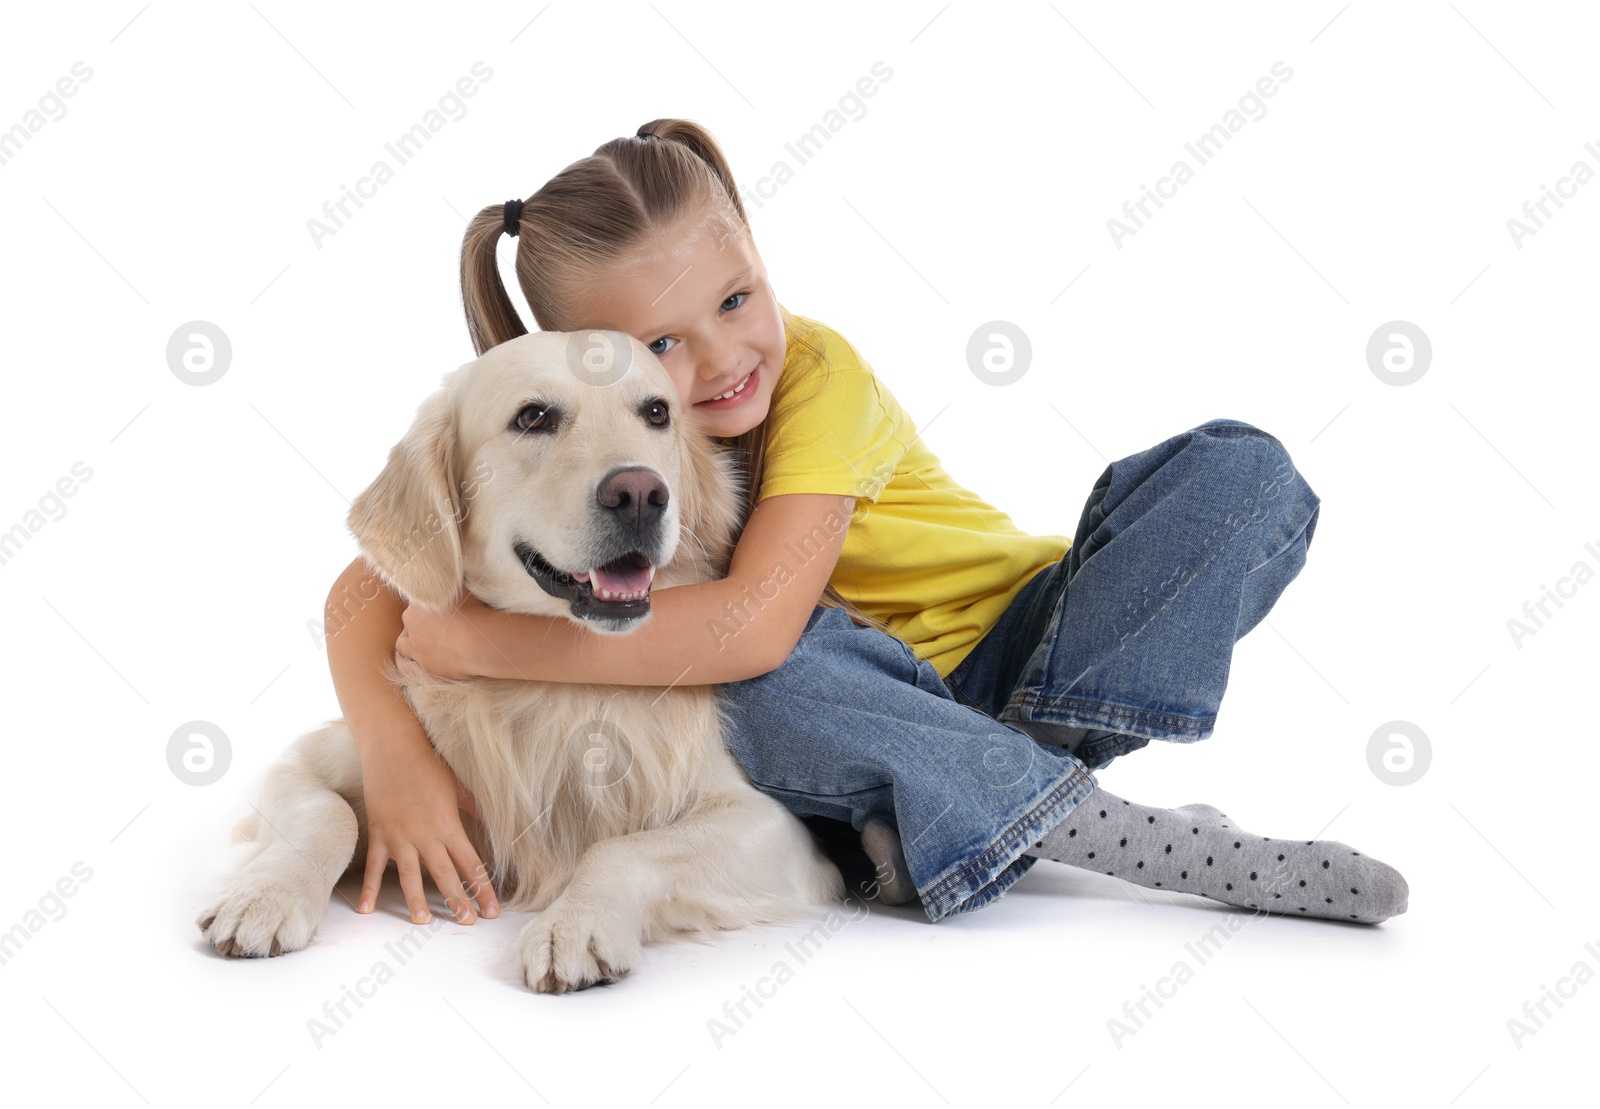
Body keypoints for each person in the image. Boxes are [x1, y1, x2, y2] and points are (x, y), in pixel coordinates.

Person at [328, 117, 1408, 931]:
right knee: (764, 680)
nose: (719, 358)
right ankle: (1048, 822)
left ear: (754, 244)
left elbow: (747, 623)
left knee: (1240, 474)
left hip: (1025, 650)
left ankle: (1005, 794)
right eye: (658, 346)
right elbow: (365, 585)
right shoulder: (582, 462)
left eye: (735, 298)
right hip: (836, 709)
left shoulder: (816, 372)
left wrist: (478, 639)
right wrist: (391, 751)